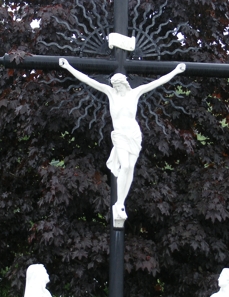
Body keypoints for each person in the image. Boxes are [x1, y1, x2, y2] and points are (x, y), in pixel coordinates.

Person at [59, 58, 186, 224]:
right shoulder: (110, 93)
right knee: (124, 166)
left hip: (133, 134)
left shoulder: (135, 93)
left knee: (130, 168)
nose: (116, 88)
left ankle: (121, 203)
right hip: (119, 135)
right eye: (115, 85)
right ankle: (118, 203)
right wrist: (68, 67)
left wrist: (176, 71)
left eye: (118, 85)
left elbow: (158, 82)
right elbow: (87, 80)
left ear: (124, 84)